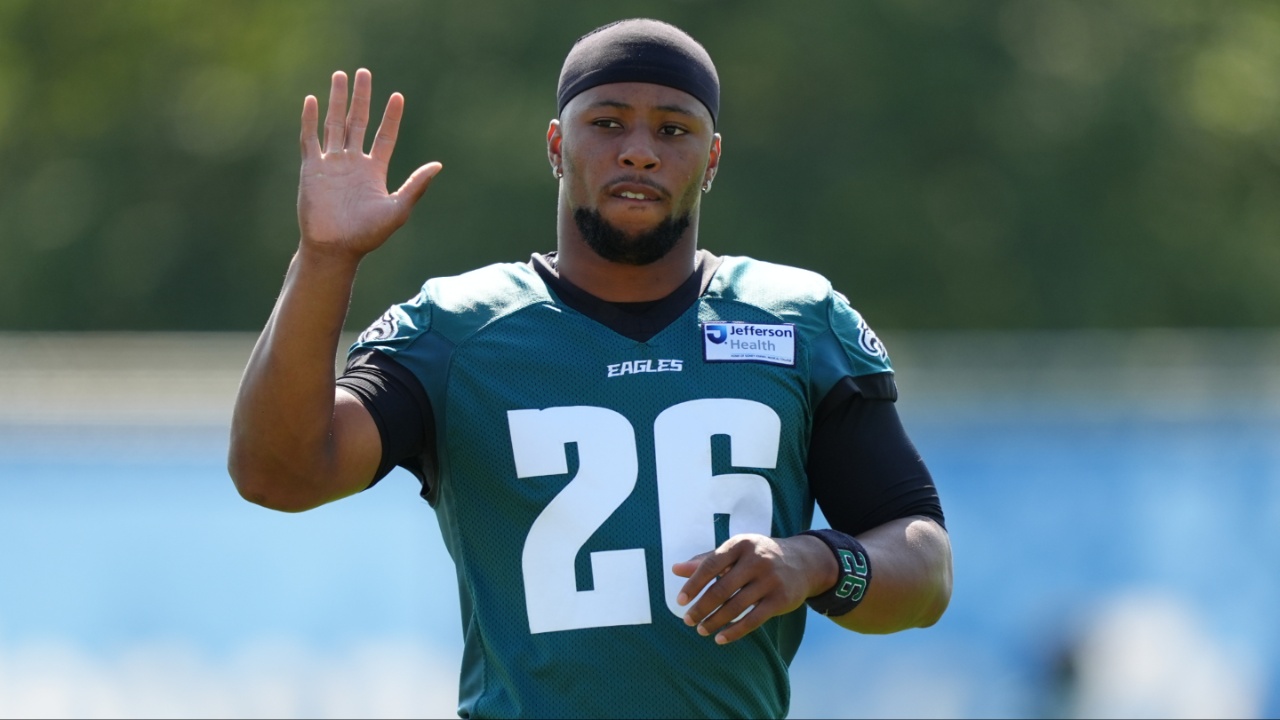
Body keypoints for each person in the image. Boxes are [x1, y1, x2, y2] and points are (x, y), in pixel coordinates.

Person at [229, 18, 952, 719]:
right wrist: (325, 259)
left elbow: (924, 568)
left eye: (673, 129)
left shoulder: (794, 320)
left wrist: (817, 561)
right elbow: (280, 474)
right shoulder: (461, 331)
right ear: (556, 144)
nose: (639, 151)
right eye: (607, 122)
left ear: (713, 157)